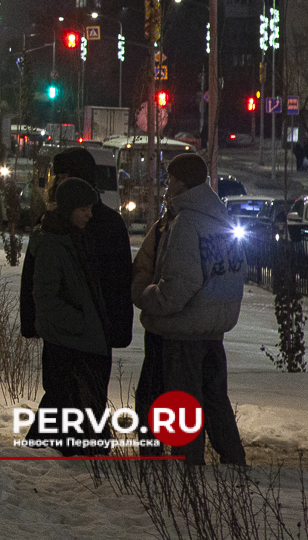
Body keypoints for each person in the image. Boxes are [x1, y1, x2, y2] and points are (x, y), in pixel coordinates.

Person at [133, 153, 247, 466]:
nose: (166, 188)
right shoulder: (219, 219)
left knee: (176, 405)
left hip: (181, 333)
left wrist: (146, 297)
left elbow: (177, 287)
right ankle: (234, 461)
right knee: (213, 400)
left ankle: (186, 469)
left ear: (181, 184)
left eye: (169, 181)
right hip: (212, 330)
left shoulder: (186, 223)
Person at [27, 176, 112, 456]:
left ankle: (53, 455)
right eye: (83, 209)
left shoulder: (75, 239)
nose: (89, 215)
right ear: (68, 209)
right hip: (67, 342)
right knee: (64, 404)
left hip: (78, 340)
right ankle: (44, 457)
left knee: (67, 406)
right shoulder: (54, 244)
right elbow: (46, 298)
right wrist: (82, 323)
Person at [50, 147, 134, 350]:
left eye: (65, 177)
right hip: (61, 333)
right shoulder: (52, 222)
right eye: (59, 178)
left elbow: (120, 280)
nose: (59, 184)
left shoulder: (108, 223)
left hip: (96, 332)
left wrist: (117, 327)